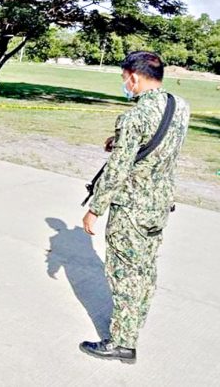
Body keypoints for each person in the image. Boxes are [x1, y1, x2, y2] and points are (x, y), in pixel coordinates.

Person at [80, 51, 190, 364]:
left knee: (124, 274)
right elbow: (161, 145)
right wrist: (118, 140)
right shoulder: (179, 106)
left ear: (134, 77)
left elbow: (117, 170)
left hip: (131, 208)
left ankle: (121, 343)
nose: (125, 84)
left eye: (124, 78)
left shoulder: (134, 116)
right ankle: (134, 325)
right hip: (158, 204)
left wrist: (95, 208)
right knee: (145, 270)